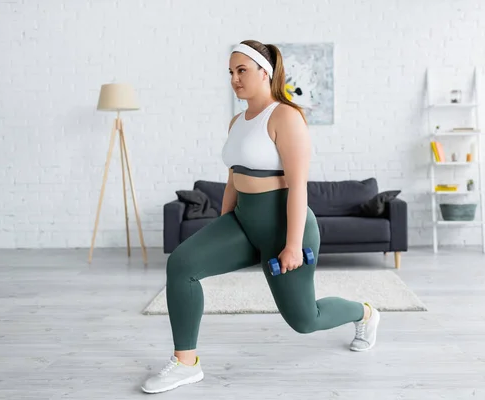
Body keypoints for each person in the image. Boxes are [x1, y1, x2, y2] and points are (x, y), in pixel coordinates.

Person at [140, 39, 381, 394]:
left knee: (304, 320)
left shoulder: (286, 115)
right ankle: (186, 363)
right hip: (242, 220)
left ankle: (365, 313)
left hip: (283, 226)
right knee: (182, 264)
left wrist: (293, 245)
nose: (235, 79)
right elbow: (233, 177)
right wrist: (222, 224)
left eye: (242, 70)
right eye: (230, 72)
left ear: (264, 73)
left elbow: (299, 187)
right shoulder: (237, 121)